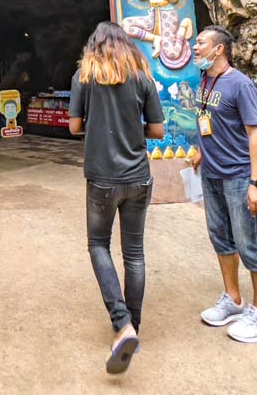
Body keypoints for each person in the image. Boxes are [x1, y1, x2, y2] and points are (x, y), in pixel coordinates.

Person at [68, 22, 165, 375]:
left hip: (102, 178)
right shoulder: (142, 76)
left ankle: (122, 323)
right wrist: (130, 130)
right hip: (138, 177)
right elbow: (157, 130)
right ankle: (132, 326)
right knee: (135, 253)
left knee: (98, 245)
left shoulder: (84, 75)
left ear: (92, 45)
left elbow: (74, 127)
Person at [189, 25, 257, 343]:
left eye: (200, 43)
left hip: (239, 177)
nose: (194, 46)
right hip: (212, 175)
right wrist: (202, 152)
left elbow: (255, 132)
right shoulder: (205, 80)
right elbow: (211, 122)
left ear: (219, 50)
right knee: (221, 239)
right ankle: (234, 300)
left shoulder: (241, 85)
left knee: (249, 243)